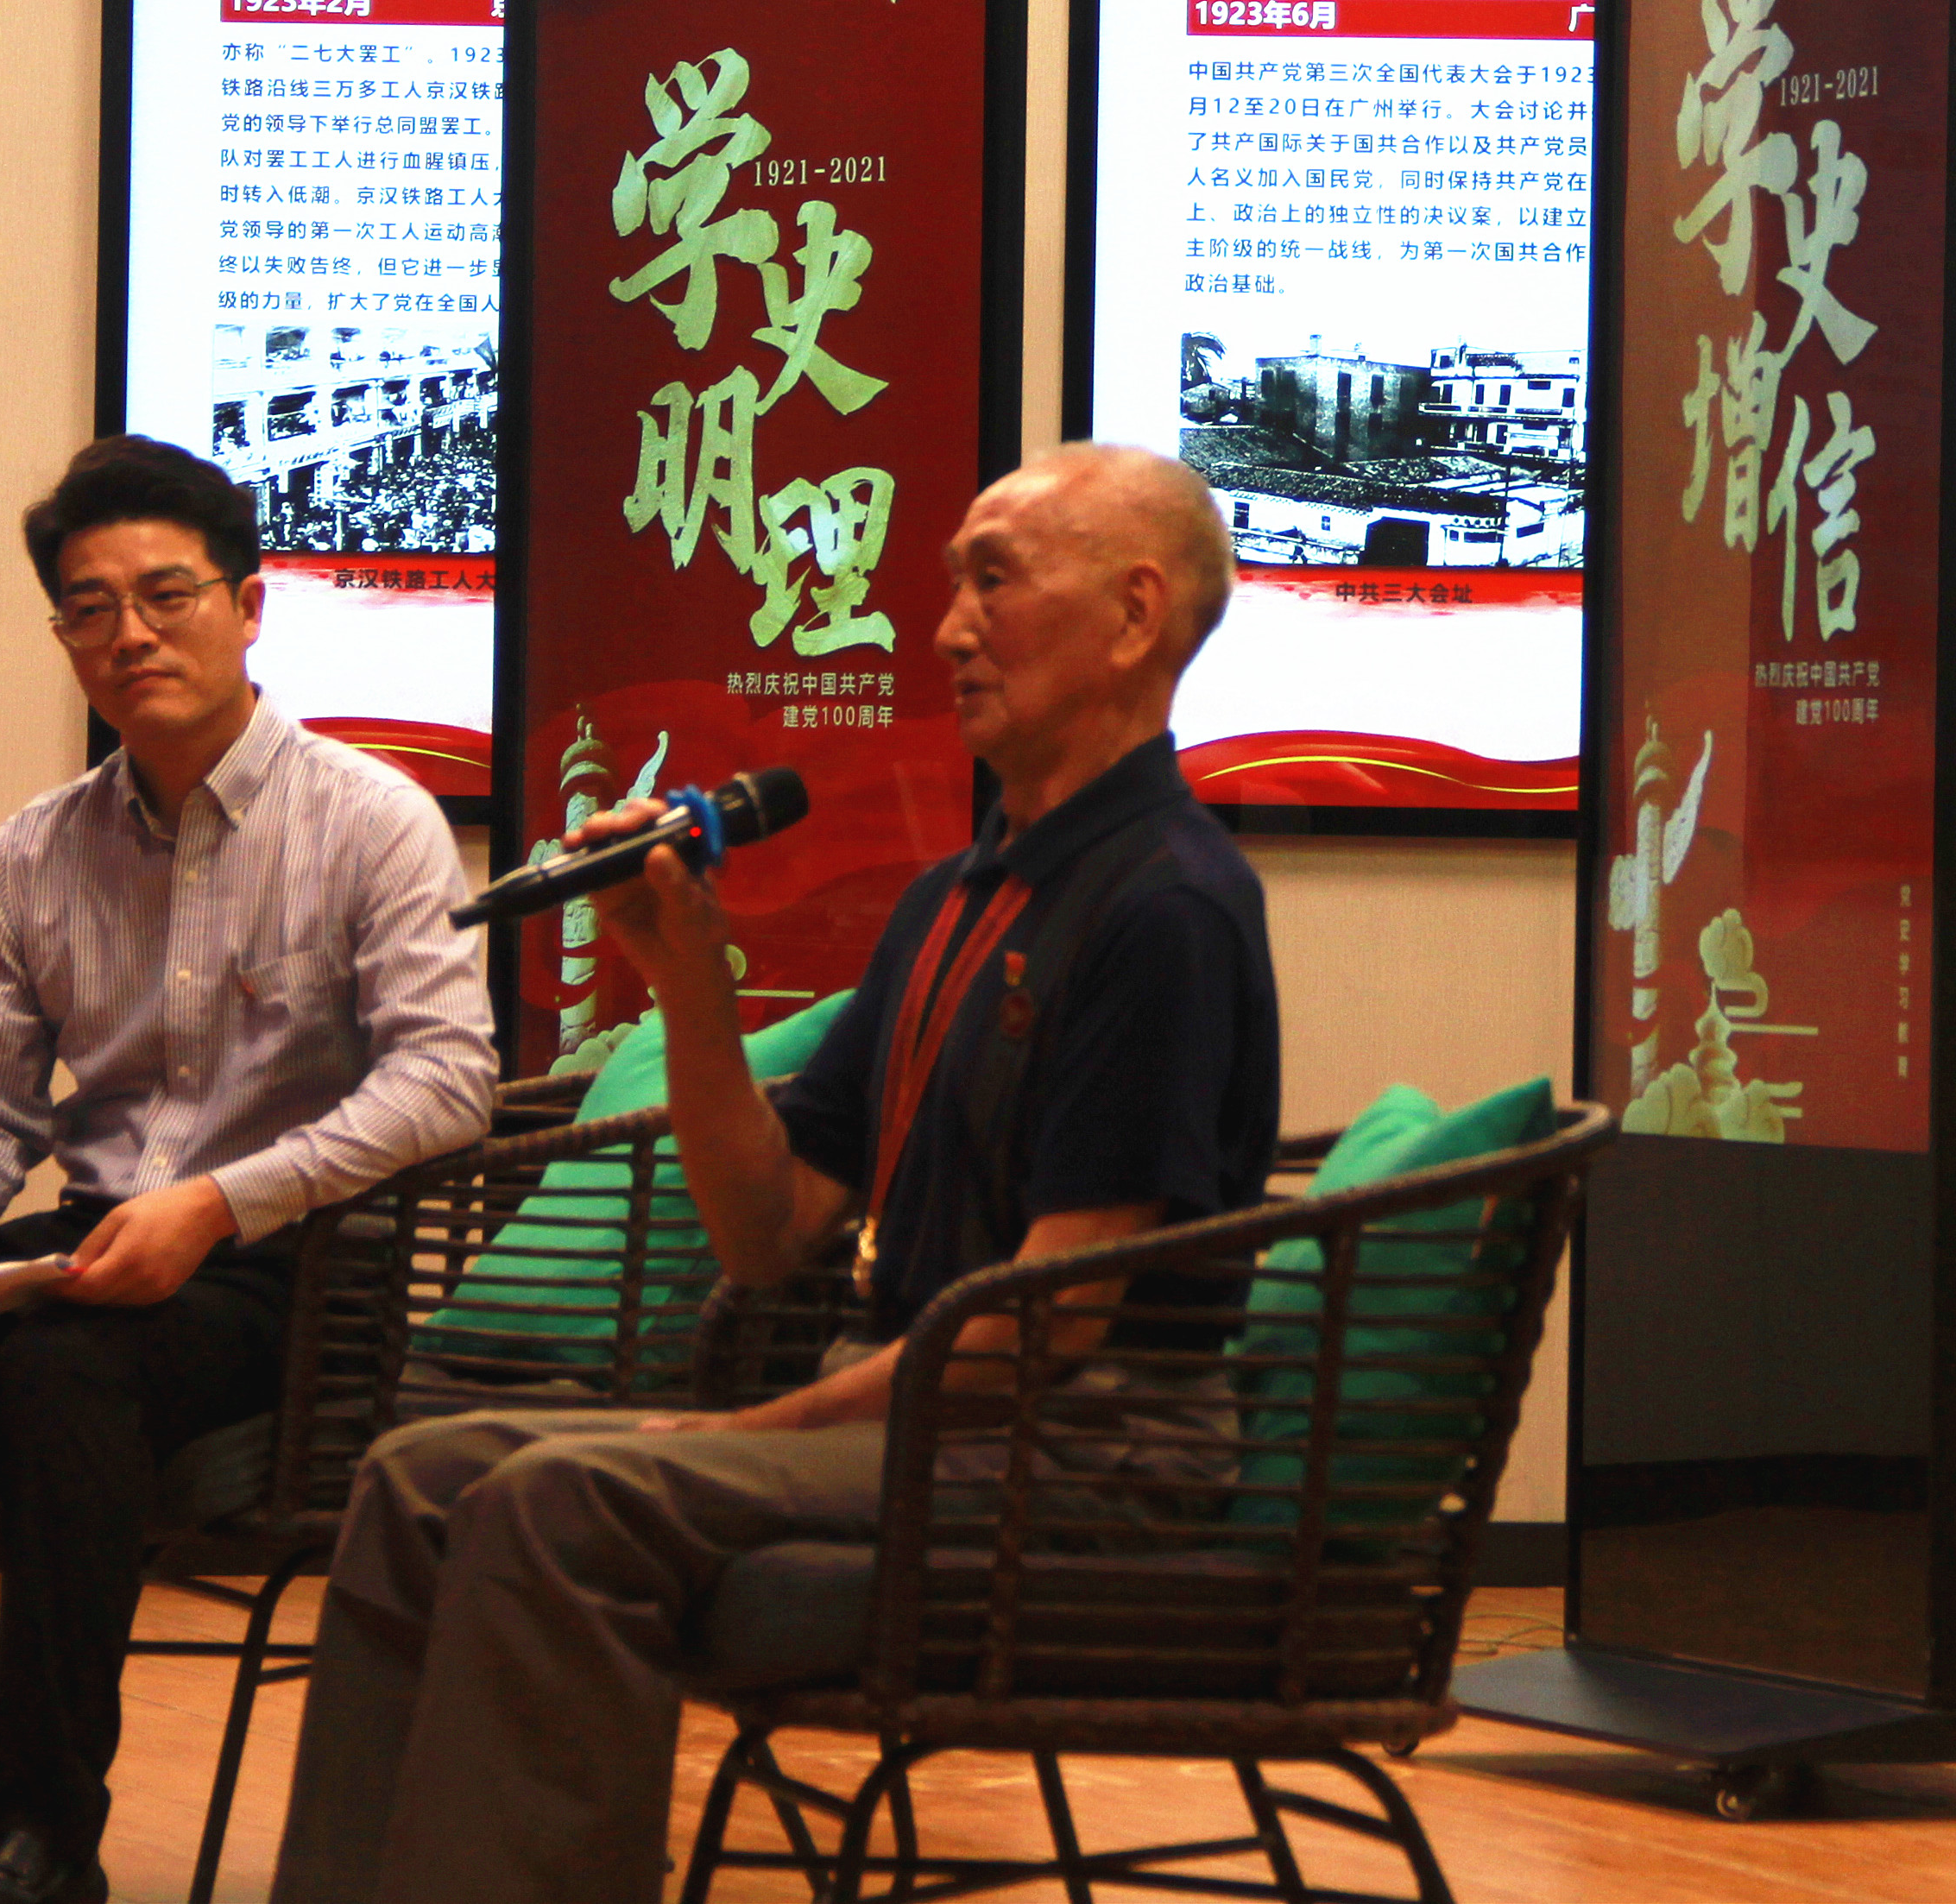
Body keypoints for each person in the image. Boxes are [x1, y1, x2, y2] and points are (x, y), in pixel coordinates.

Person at [274, 443, 1280, 1904]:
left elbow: (1046, 1322)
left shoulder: (1167, 904)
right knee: (420, 1471)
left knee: (565, 1496)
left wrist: (748, 1424)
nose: (946, 628)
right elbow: (766, 1232)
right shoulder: (952, 900)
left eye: (993, 581)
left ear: (1134, 614)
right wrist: (684, 970)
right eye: (951, 585)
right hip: (918, 1409)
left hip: (1075, 1447)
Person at [0, 438, 496, 1904]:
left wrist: (218, 1201)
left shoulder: (370, 819)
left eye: (165, 595)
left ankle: (41, 1841)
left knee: (67, 1370)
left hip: (300, 1267)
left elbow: (450, 1080)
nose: (129, 633)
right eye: (89, 608)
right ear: (65, 638)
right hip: (92, 1245)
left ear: (247, 606)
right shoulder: (33, 855)